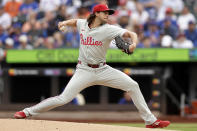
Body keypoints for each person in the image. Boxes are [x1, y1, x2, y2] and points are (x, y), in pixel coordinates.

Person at [14, 4, 170, 128]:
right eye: (105, 13)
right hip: (84, 70)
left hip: (103, 69)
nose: (107, 15)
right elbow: (75, 21)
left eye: (108, 13)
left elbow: (131, 34)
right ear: (96, 14)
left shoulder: (109, 29)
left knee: (133, 85)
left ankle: (150, 121)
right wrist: (64, 23)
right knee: (63, 98)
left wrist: (134, 44)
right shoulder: (83, 24)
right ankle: (26, 112)